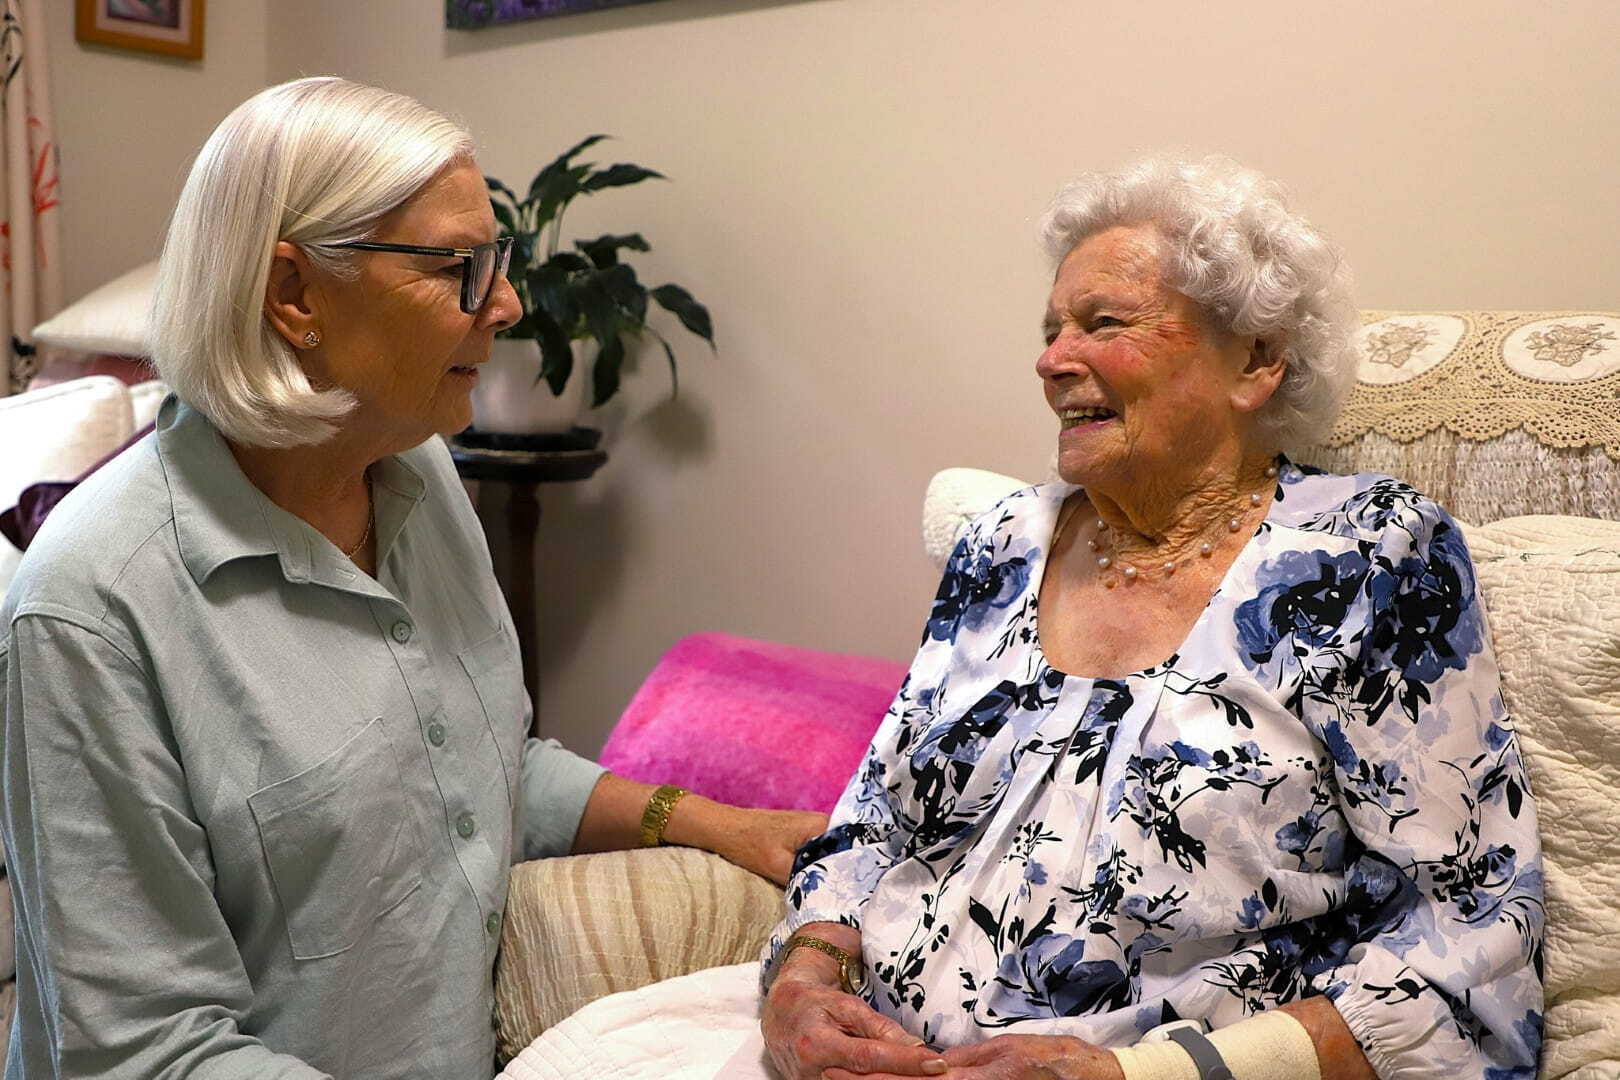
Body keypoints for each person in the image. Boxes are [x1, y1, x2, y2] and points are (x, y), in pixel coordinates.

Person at [0, 77, 824, 1078]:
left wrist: (723, 824)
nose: (510, 304)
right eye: (460, 269)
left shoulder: (418, 470)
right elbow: (146, 1053)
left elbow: (474, 767)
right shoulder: (87, 612)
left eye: (501, 259)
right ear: (295, 294)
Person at [760, 157, 1543, 1080]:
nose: (1052, 360)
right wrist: (804, 984)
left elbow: (1467, 938)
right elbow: (872, 829)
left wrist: (1132, 1078)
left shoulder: (1366, 553)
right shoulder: (1001, 543)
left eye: (1104, 324)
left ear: (1255, 361)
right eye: (1051, 330)